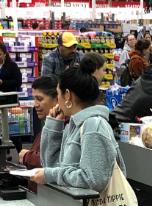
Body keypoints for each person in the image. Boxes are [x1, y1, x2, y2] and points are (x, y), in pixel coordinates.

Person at [31, 56, 126, 194]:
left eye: (58, 94)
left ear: (68, 95)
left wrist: (50, 175)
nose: (57, 99)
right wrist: (53, 127)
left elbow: (94, 180)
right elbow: (51, 166)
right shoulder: (74, 124)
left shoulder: (94, 126)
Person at [19, 75, 59, 169]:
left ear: (57, 98)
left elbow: (52, 163)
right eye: (34, 99)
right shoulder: (49, 123)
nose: (35, 104)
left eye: (40, 99)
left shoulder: (62, 127)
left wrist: (27, 156)